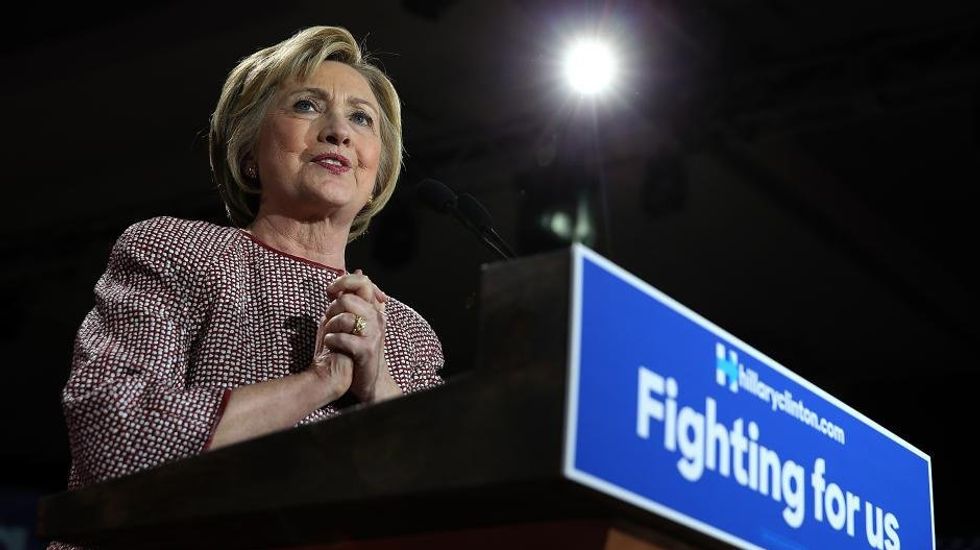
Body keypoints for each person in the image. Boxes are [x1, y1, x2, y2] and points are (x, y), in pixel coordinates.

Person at [52, 24, 444, 525]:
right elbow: (113, 436)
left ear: (376, 174)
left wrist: (380, 390)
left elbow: (449, 504)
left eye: (361, 118)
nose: (338, 131)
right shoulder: (178, 252)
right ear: (249, 154)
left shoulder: (408, 336)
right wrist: (320, 382)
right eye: (307, 105)